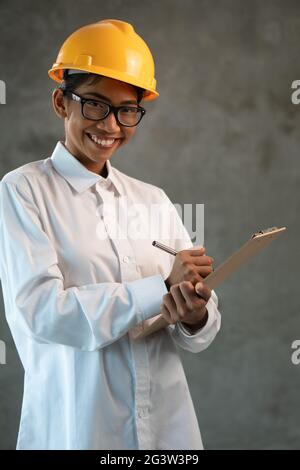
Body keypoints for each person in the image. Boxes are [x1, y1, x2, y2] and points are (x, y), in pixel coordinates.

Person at [0, 19, 221, 450]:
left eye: (127, 110)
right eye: (96, 105)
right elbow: (42, 311)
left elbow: (198, 334)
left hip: (166, 433)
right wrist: (157, 289)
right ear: (61, 103)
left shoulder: (152, 199)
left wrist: (194, 311)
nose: (112, 125)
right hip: (76, 430)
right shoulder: (23, 191)